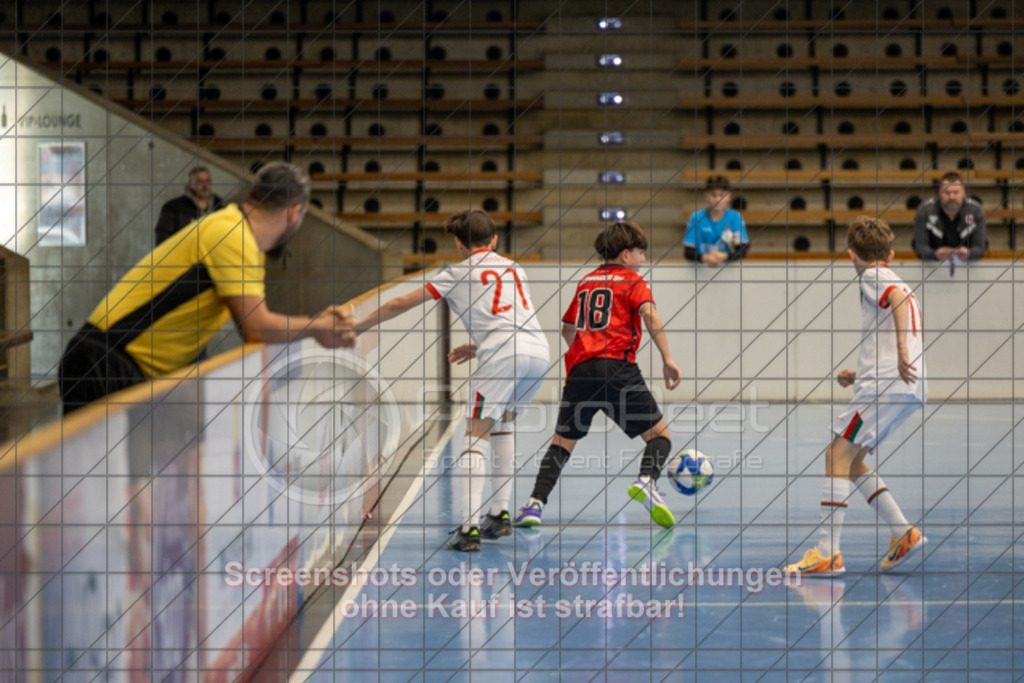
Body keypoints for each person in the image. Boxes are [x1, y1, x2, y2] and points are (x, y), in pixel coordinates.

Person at [58, 161, 355, 415]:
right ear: (293, 213)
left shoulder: (234, 230)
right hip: (104, 362)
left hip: (113, 364)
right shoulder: (232, 236)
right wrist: (317, 326)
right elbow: (256, 328)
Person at [354, 209, 550, 552]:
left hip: (504, 354)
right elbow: (512, 317)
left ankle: (469, 528)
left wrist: (359, 326)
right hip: (537, 352)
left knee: (474, 434)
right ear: (494, 240)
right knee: (503, 425)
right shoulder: (514, 267)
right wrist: (480, 346)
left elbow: (402, 302)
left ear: (458, 243)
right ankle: (499, 514)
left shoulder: (456, 273)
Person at [511, 221, 682, 530]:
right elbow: (649, 314)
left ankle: (534, 504)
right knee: (660, 438)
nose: (643, 259)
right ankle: (646, 482)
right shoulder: (634, 281)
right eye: (641, 253)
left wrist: (586, 353)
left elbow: (567, 329)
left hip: (580, 370)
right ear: (626, 254)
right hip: (617, 367)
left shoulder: (586, 282)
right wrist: (667, 357)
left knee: (561, 443)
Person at [785, 216, 927, 577]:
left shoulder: (872, 275)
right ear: (892, 254)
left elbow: (892, 302)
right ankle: (902, 532)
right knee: (852, 462)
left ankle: (827, 552)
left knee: (835, 454)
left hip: (886, 384)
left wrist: (899, 349)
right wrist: (860, 371)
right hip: (903, 386)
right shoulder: (897, 278)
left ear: (851, 254)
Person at [912, 171, 986, 262]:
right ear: (939, 192)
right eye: (947, 192)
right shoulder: (924, 211)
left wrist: (969, 253)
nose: (951, 197)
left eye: (956, 192)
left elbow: (980, 248)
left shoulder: (975, 210)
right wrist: (935, 254)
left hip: (967, 268)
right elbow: (920, 248)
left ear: (963, 193)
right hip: (933, 268)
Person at [684, 176, 750, 266]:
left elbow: (742, 250)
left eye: (722, 195)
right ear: (706, 196)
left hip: (728, 271)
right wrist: (705, 258)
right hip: (701, 271)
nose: (717, 200)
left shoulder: (735, 218)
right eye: (713, 195)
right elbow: (688, 251)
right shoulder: (696, 218)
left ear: (729, 197)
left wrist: (724, 256)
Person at [155, 166, 224, 245]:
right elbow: (162, 240)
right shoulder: (172, 208)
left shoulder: (220, 207)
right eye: (199, 182)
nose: (205, 186)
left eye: (207, 181)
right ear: (189, 185)